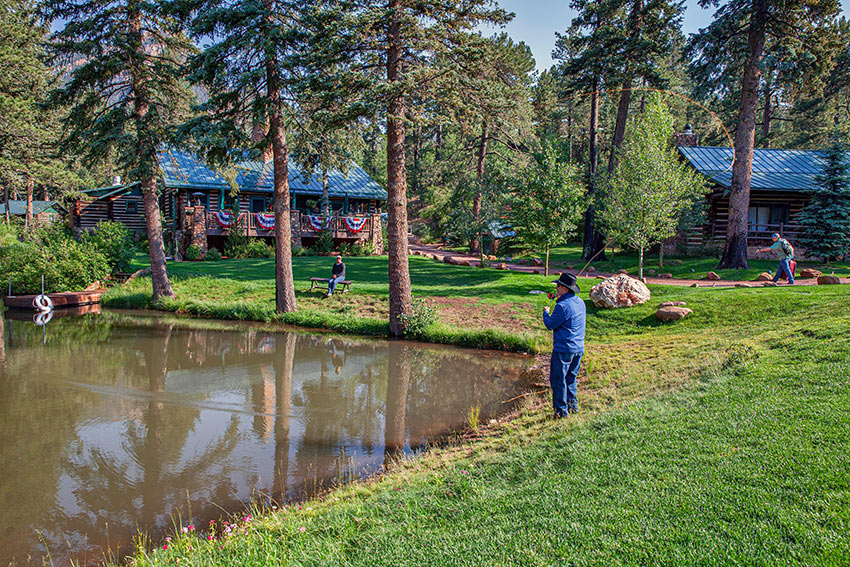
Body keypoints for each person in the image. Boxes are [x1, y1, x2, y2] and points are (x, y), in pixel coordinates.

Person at [543, 272, 586, 418]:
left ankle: (561, 412)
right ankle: (573, 406)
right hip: (579, 348)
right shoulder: (580, 302)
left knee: (558, 380)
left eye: (558, 286)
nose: (556, 288)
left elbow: (550, 324)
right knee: (571, 379)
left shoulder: (562, 306)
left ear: (565, 288)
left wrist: (545, 313)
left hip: (563, 350)